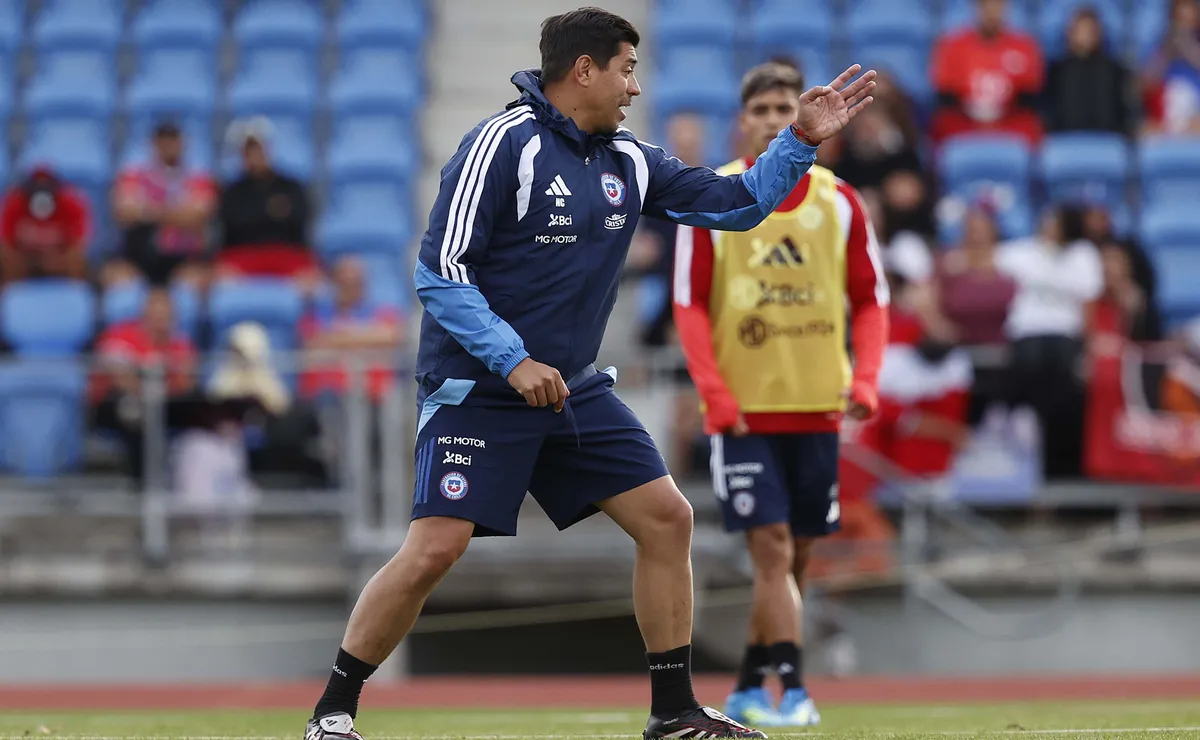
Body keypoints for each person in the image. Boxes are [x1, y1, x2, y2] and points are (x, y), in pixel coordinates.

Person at [303, 8, 876, 740]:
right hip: (477, 391)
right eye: (627, 69)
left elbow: (738, 207)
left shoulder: (630, 161)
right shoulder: (498, 144)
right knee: (433, 551)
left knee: (669, 519)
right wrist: (513, 361)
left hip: (570, 388)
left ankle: (673, 712)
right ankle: (332, 712)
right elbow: (438, 275)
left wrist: (798, 141)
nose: (635, 87)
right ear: (585, 71)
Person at [671, 62, 889, 728]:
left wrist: (867, 379)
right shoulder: (719, 197)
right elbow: (690, 305)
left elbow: (871, 300)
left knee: (796, 552)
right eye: (761, 109)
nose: (772, 119)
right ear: (745, 121)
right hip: (742, 414)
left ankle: (744, 681)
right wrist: (714, 392)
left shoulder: (839, 201)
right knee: (769, 546)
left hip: (817, 405)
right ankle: (789, 687)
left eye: (783, 107)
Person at [106, 121, 217, 288]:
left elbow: (199, 214)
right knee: (118, 283)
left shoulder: (198, 176)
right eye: (163, 140)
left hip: (184, 257)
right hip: (139, 256)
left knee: (193, 285)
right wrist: (176, 212)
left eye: (173, 140)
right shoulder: (134, 174)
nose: (168, 145)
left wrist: (147, 211)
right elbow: (124, 212)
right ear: (154, 143)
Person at [216, 117, 318, 284]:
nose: (254, 155)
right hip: (243, 254)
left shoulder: (291, 187)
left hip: (286, 253)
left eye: (258, 149)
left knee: (312, 282)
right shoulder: (231, 191)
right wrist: (271, 211)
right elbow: (234, 222)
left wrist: (254, 214)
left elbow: (299, 217)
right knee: (222, 279)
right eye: (249, 150)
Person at [931, 0, 1045, 145]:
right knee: (943, 125)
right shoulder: (952, 45)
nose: (991, 12)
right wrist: (973, 114)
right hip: (965, 119)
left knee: (1031, 126)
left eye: (997, 6)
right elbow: (946, 95)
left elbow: (1028, 96)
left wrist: (1000, 115)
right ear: (976, 8)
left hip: (1009, 118)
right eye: (985, 6)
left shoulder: (1024, 45)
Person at [1043, 7, 1133, 135]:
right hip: (1065, 141)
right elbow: (1046, 112)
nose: (1085, 36)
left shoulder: (1115, 70)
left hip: (1108, 141)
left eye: (1090, 31)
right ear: (1070, 32)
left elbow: (1127, 111)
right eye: (1080, 30)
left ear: (1099, 33)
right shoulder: (1056, 71)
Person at [0, 165, 90, 284]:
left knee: (80, 265)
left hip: (60, 265)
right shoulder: (13, 204)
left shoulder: (72, 205)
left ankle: (74, 299)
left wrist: (52, 263)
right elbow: (6, 247)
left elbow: (77, 249)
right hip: (23, 264)